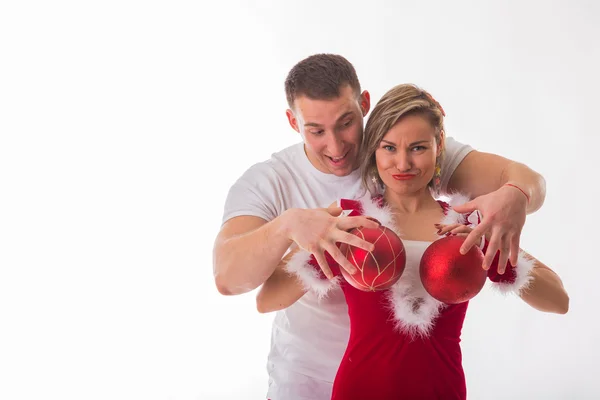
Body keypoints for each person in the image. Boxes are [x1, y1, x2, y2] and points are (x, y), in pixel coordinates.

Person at [212, 54, 547, 399]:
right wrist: (290, 225)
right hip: (305, 374)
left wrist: (515, 196)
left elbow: (529, 183)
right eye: (316, 130)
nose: (336, 145)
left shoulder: (403, 155)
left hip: (418, 377)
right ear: (293, 123)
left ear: (364, 105)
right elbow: (229, 280)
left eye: (345, 123)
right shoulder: (269, 181)